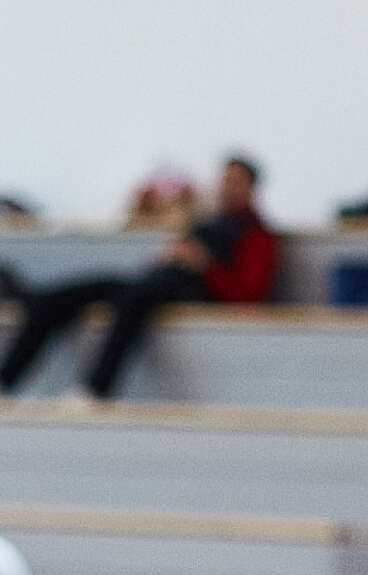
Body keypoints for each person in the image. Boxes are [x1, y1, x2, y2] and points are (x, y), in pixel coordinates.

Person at [0, 157, 278, 401]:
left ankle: (95, 389)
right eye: (225, 180)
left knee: (133, 299)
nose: (228, 187)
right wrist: (169, 257)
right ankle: (6, 379)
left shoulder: (258, 236)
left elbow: (248, 293)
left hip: (192, 292)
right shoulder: (208, 223)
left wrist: (204, 264)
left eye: (236, 181)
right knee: (67, 297)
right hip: (156, 283)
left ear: (251, 188)